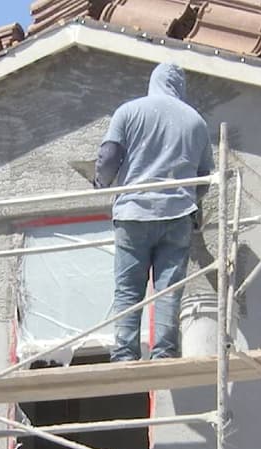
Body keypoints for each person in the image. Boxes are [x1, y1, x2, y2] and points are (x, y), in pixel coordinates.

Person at [95, 63, 214, 361]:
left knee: (128, 289)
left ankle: (124, 354)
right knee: (167, 290)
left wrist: (101, 182)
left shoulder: (129, 112)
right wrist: (187, 199)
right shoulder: (196, 122)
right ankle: (163, 352)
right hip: (177, 216)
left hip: (133, 214)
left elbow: (109, 157)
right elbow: (203, 178)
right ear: (179, 86)